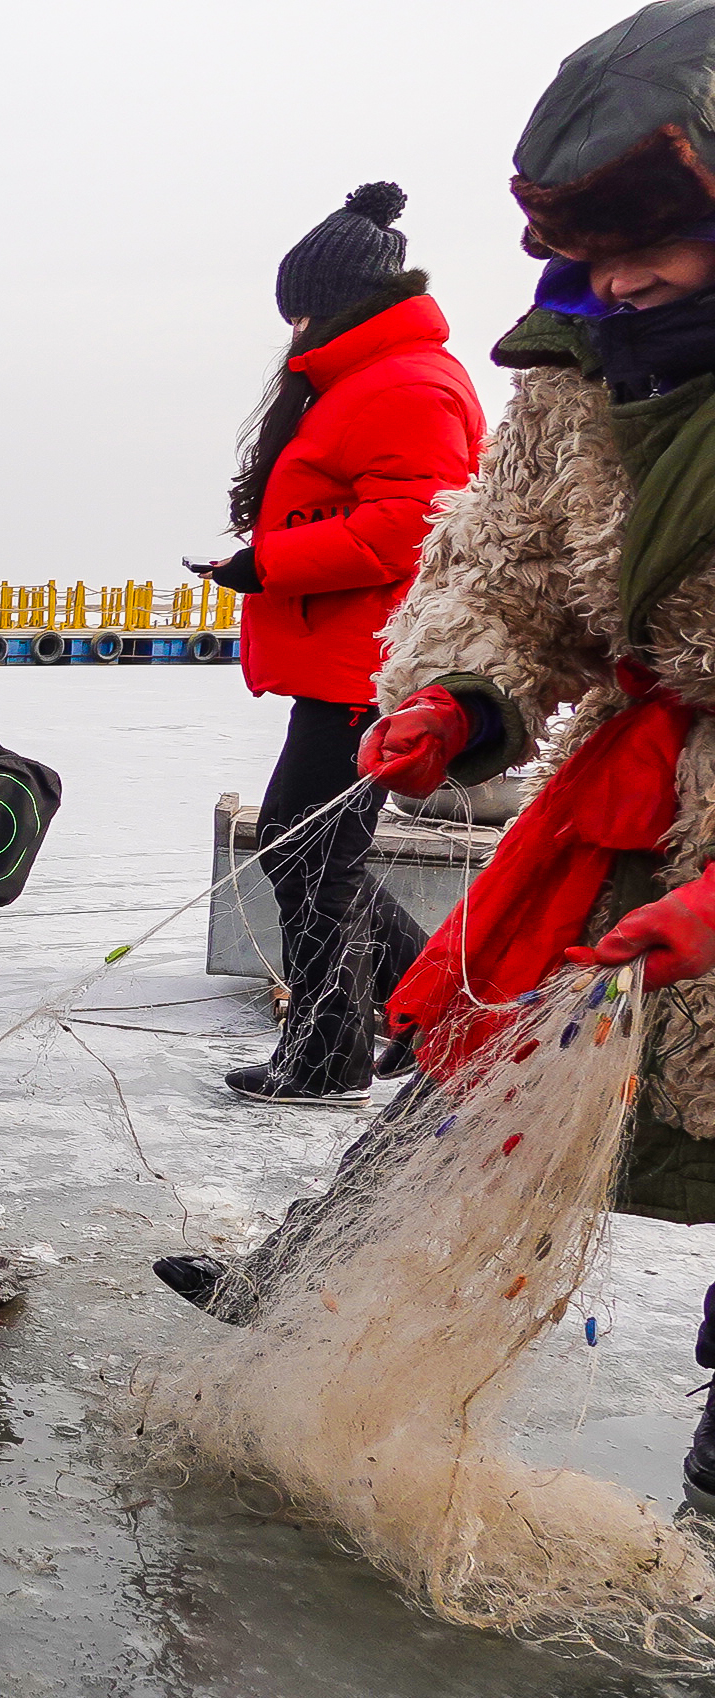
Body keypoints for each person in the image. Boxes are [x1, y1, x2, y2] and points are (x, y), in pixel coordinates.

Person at [160, 2, 715, 1511]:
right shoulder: (582, 368)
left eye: (644, 239)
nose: (608, 280)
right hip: (631, 799)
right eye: (587, 249)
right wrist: (465, 688)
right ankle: (322, 1286)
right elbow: (500, 561)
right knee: (485, 1066)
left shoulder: (397, 384)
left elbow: (393, 517)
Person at [194, 183, 484, 1107]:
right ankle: (429, 1011)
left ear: (345, 299)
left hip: (376, 661)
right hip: (347, 657)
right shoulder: (367, 379)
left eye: (305, 307)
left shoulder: (409, 382)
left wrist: (269, 563)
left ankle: (334, 1052)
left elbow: (415, 522)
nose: (296, 326)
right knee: (310, 845)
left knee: (307, 845)